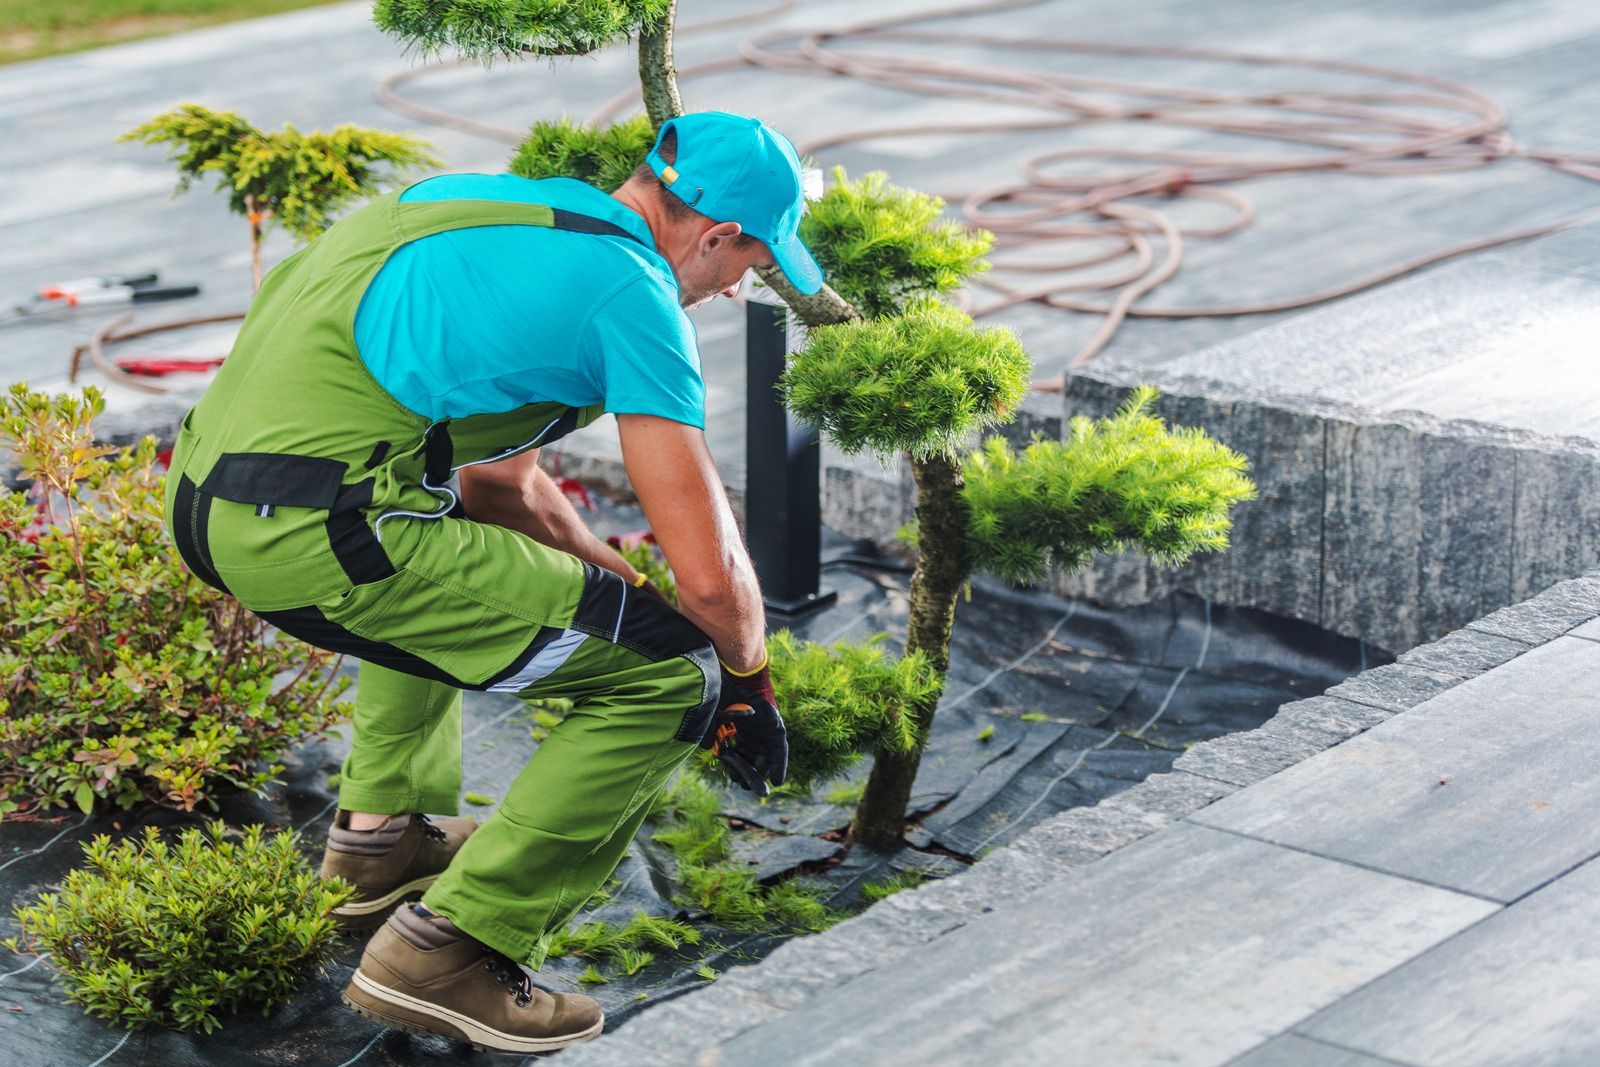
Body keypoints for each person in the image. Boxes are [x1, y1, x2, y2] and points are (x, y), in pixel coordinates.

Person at [162, 110, 820, 1053]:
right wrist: (745, 680)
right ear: (715, 235)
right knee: (676, 677)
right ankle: (451, 955)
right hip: (321, 533)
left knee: (460, 534)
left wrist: (622, 590)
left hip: (210, 497)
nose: (736, 286)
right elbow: (713, 577)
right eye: (751, 264)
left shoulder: (486, 205)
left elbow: (498, 485)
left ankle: (380, 841)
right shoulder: (630, 297)